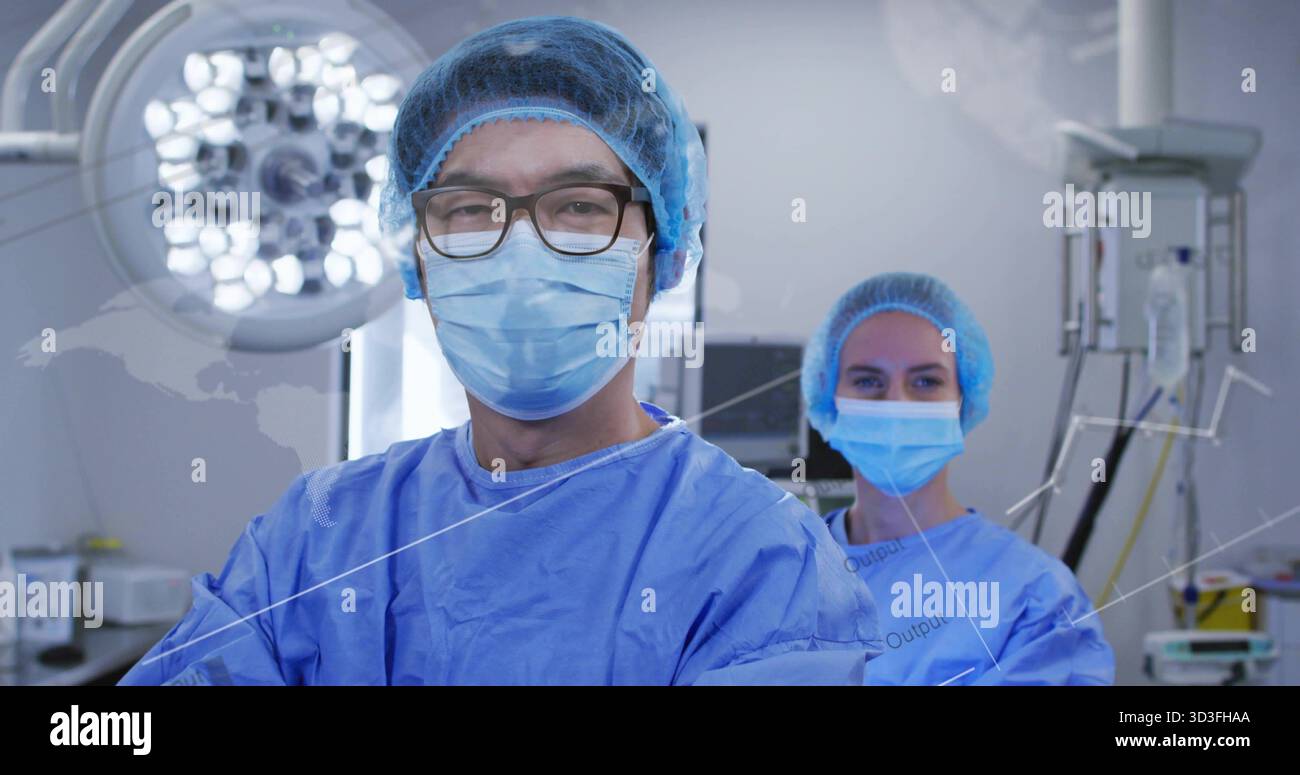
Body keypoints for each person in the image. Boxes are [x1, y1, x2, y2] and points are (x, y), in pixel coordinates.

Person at [120, 16, 880, 685]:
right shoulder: (317, 538)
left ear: (664, 249)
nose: (521, 249)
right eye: (468, 209)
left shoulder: (759, 559)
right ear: (417, 257)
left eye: (579, 205)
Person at [801, 272, 1114, 685]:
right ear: (828, 396)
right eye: (868, 381)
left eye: (926, 381)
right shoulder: (788, 576)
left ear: (963, 399)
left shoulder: (1033, 599)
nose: (897, 403)